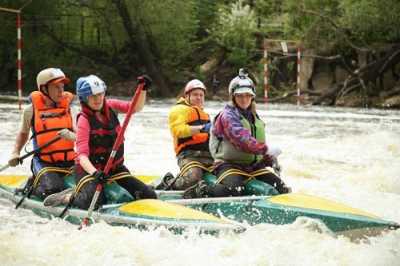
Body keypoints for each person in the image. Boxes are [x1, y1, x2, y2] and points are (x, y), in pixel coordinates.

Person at [44, 75, 157, 209]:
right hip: (88, 170)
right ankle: (68, 196)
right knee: (95, 202)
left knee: (149, 195)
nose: (98, 99)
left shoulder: (111, 106)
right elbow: (82, 156)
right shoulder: (84, 120)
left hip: (114, 169)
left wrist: (143, 90)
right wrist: (94, 173)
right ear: (84, 98)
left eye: (100, 94)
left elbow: (135, 108)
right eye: (92, 96)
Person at [204, 69, 290, 197]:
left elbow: (256, 143)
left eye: (247, 95)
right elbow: (242, 139)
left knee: (281, 187)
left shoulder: (253, 116)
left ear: (252, 96)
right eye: (240, 96)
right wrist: (266, 149)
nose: (244, 99)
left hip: (252, 167)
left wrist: (269, 159)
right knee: (235, 190)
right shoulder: (227, 116)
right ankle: (202, 190)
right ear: (233, 96)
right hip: (228, 165)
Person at [8, 68, 76, 200]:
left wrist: (73, 136)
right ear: (44, 89)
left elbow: (80, 134)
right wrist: (15, 152)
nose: (61, 90)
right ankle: (32, 186)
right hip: (44, 162)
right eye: (56, 87)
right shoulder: (30, 111)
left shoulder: (70, 108)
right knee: (53, 189)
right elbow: (23, 134)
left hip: (70, 161)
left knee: (90, 184)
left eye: (62, 86)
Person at [158, 79, 213, 192]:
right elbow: (178, 130)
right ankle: (167, 183)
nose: (199, 98)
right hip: (188, 155)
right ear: (187, 96)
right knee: (193, 177)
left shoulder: (205, 114)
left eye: (201, 95)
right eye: (195, 95)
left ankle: (205, 191)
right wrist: (201, 129)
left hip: (208, 155)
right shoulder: (179, 110)